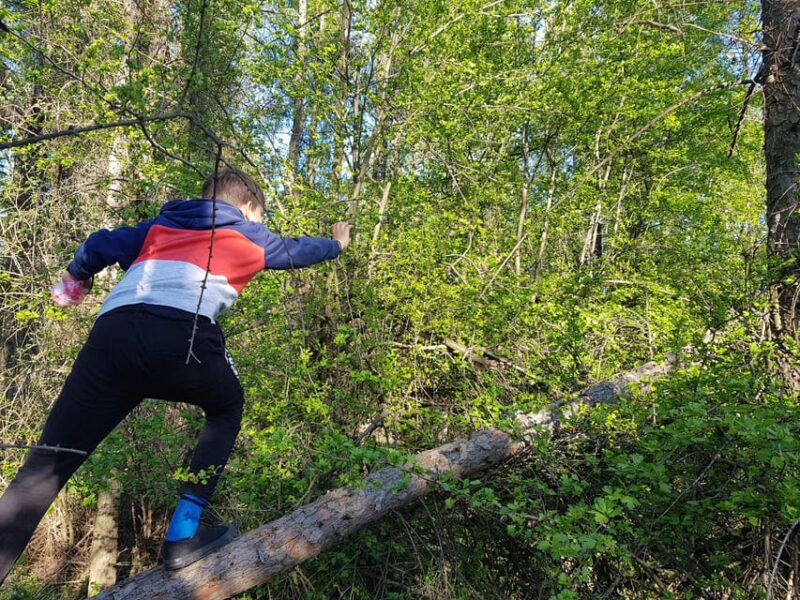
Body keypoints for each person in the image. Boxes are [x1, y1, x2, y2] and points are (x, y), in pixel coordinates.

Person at [0, 167, 352, 582]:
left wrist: (76, 278)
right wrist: (337, 243)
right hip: (181, 338)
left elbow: (100, 243)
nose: (259, 225)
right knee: (227, 406)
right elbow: (299, 251)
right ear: (248, 206)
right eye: (259, 216)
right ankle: (183, 535)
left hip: (111, 337)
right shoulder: (248, 232)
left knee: (48, 463)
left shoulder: (160, 225)